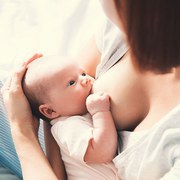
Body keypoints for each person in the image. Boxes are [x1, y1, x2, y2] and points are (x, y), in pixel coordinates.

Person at [1, 0, 180, 179]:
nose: (85, 80)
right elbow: (54, 97)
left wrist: (22, 130)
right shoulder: (119, 31)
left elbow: (58, 106)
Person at [22, 55, 118, 179]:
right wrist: (100, 113)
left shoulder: (76, 115)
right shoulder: (67, 127)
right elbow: (102, 151)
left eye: (83, 74)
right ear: (50, 111)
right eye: (71, 83)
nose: (86, 80)